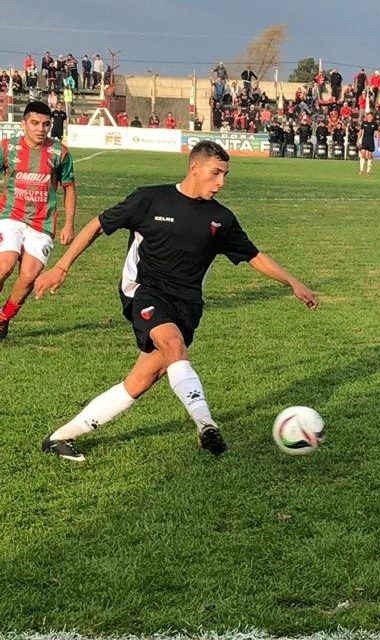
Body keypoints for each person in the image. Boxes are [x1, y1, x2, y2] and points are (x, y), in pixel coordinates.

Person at [32, 141, 318, 461]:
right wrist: (61, 266)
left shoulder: (221, 219)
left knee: (141, 379)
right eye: (216, 173)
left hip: (188, 305)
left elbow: (254, 256)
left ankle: (61, 437)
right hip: (145, 291)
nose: (221, 181)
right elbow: (99, 224)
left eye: (225, 174)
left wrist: (291, 280)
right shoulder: (151, 199)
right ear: (194, 168)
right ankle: (206, 424)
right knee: (173, 344)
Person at [0, 102, 76, 340]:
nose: (41, 129)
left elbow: (69, 188)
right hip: (10, 215)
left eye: (45, 124)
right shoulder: (7, 148)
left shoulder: (60, 153)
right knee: (5, 265)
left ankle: (3, 319)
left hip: (42, 223)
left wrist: (69, 224)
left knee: (29, 276)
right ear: (24, 124)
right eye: (35, 123)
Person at [357, 111, 378, 175]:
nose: (369, 118)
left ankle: (368, 171)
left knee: (369, 156)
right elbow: (360, 132)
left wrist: (379, 141)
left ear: (372, 117)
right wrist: (358, 140)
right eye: (368, 116)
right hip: (364, 140)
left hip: (371, 140)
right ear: (367, 117)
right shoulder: (364, 123)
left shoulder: (375, 124)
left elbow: (377, 133)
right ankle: (361, 170)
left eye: (371, 116)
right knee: (363, 154)